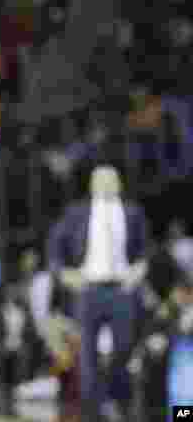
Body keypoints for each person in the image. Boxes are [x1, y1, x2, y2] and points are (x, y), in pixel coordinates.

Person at [49, 164, 149, 422]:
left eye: (111, 179)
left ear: (119, 184)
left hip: (121, 289)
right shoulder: (77, 213)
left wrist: (138, 271)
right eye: (100, 180)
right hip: (89, 289)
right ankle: (92, 409)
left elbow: (143, 250)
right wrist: (63, 273)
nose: (106, 184)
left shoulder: (132, 212)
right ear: (92, 184)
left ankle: (115, 399)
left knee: (124, 347)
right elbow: (55, 244)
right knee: (88, 354)